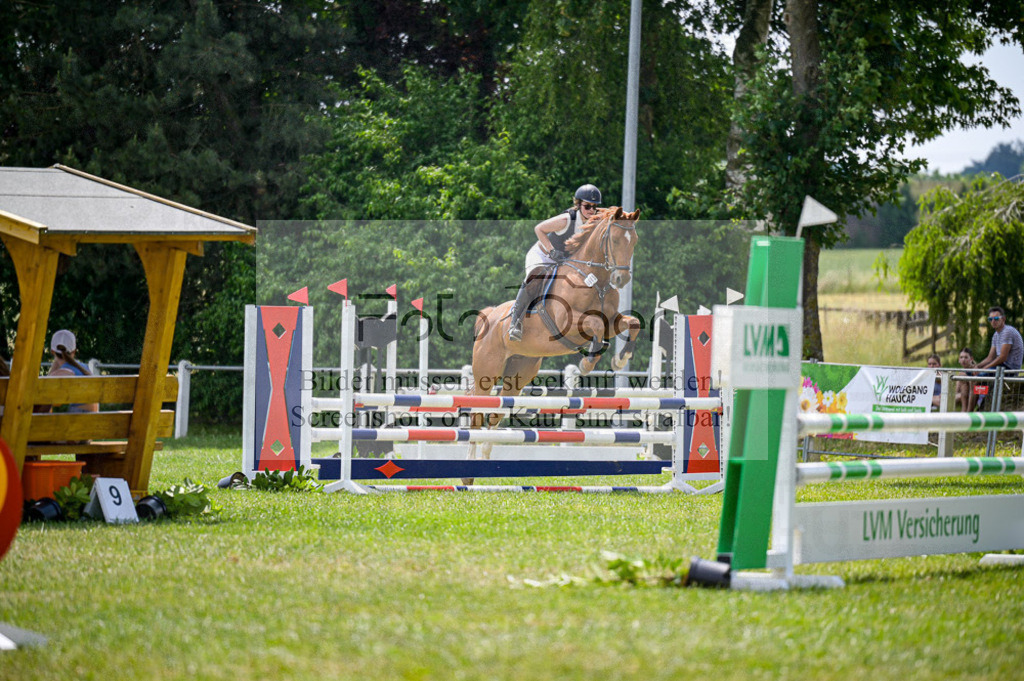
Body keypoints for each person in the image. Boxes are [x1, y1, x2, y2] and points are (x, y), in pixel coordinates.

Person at [508, 184, 602, 341]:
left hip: (563, 260)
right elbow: (539, 229)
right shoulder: (567, 219)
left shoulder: (594, 222)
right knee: (535, 277)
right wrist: (551, 250)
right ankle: (515, 322)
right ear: (579, 204)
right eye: (587, 206)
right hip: (543, 254)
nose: (591, 210)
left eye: (594, 207)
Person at [44, 329, 98, 413]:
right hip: (93, 418)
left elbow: (49, 400)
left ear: (52, 351)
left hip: (77, 418)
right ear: (74, 351)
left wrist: (54, 366)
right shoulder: (85, 368)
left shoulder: (62, 373)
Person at [976, 306, 1024, 372]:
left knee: (979, 375)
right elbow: (990, 358)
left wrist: (984, 368)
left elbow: (1002, 357)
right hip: (1000, 367)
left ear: (1003, 319)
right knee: (969, 374)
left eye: (996, 318)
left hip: (1009, 369)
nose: (993, 321)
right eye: (990, 319)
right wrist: (977, 366)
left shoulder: (1007, 331)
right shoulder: (995, 335)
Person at [955, 347, 979, 412]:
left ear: (971, 359)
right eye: (961, 357)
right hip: (966, 395)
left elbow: (975, 389)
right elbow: (956, 390)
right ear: (959, 360)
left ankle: (966, 411)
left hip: (981, 392)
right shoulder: (962, 372)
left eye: (966, 357)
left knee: (964, 380)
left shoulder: (975, 370)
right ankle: (965, 411)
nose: (963, 360)